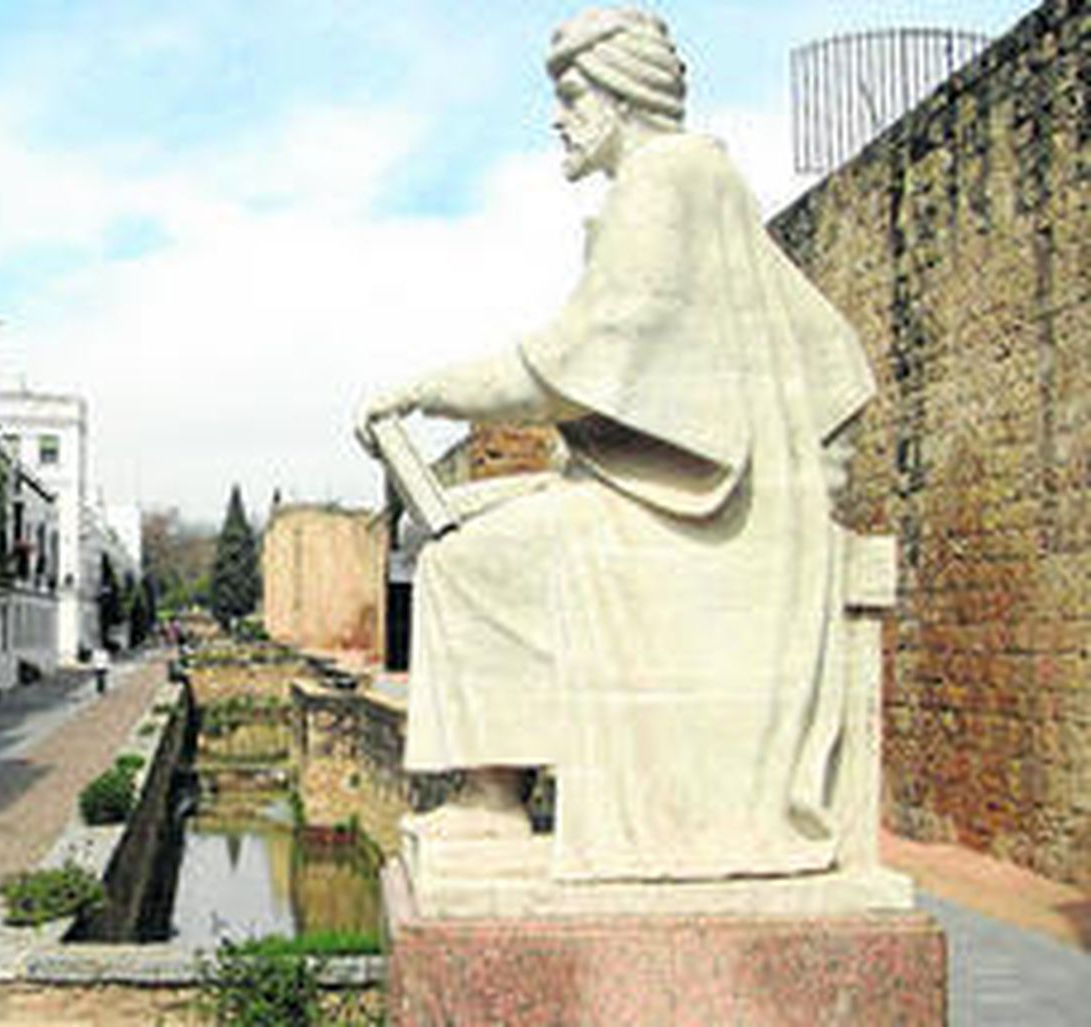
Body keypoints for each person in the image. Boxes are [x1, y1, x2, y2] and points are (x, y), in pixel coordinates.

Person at [358, 7, 875, 881]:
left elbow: (572, 363)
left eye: (572, 97)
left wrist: (424, 390)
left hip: (710, 524)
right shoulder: (700, 183)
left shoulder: (664, 180)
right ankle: (495, 788)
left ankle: (493, 798)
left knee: (464, 559)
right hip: (687, 499)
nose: (559, 120)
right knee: (468, 515)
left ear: (622, 94)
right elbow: (824, 354)